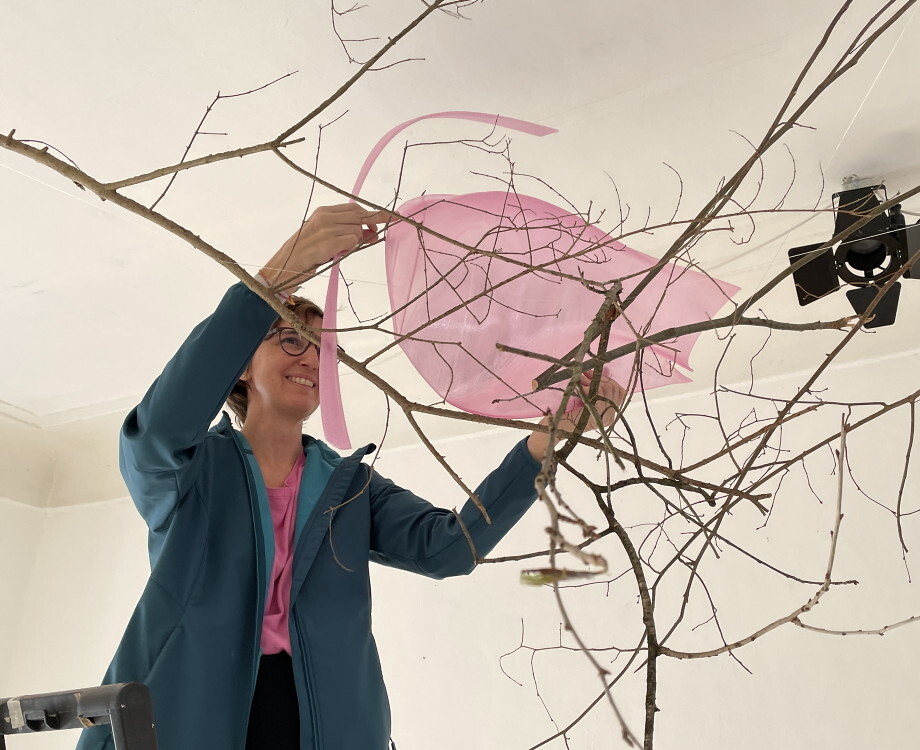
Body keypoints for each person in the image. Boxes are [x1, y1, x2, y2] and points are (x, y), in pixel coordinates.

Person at [78, 204, 624, 750]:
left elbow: (451, 548)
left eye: (323, 348)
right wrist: (276, 276)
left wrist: (544, 445)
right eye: (290, 338)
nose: (310, 358)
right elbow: (155, 432)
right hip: (185, 715)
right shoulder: (190, 470)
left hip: (327, 728)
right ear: (240, 364)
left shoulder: (350, 487)